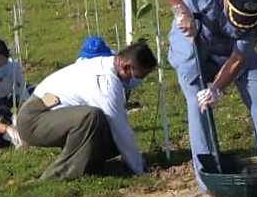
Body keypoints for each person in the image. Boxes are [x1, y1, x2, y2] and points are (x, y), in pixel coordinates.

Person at [146, 0, 257, 193]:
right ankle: (210, 182)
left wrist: (217, 88)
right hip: (192, 39)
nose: (241, 24)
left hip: (229, 49)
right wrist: (181, 10)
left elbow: (237, 59)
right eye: (236, 16)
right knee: (198, 104)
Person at [14, 42, 157, 180]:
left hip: (49, 111)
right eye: (139, 77)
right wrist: (139, 169)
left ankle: (89, 168)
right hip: (33, 119)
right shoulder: (105, 82)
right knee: (90, 118)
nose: (137, 81)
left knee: (109, 136)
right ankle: (57, 176)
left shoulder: (107, 65)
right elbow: (120, 128)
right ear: (126, 67)